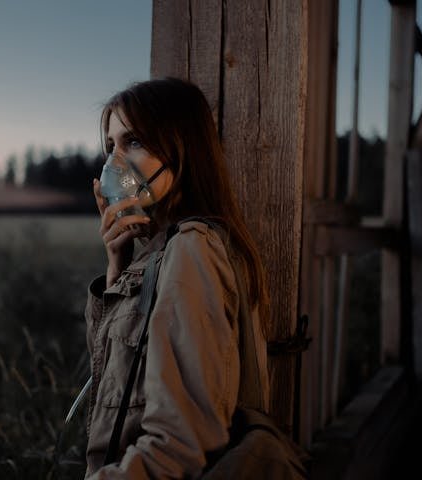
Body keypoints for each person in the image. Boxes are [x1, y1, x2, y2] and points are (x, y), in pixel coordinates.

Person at [84, 77, 271, 479]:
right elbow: (111, 382)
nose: (115, 162)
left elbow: (180, 446)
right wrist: (118, 267)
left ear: (181, 149)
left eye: (133, 141)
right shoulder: (163, 251)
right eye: (111, 145)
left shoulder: (191, 250)